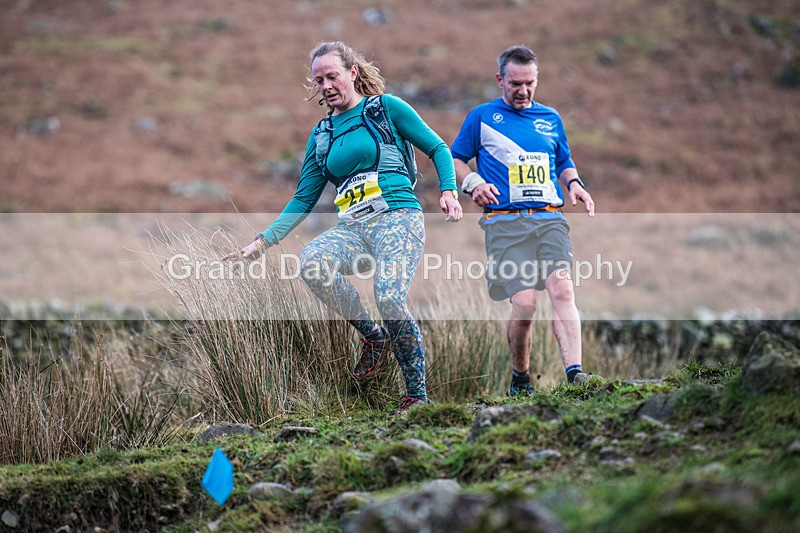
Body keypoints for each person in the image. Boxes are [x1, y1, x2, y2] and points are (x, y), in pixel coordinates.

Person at [225, 41, 462, 414]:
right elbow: (303, 199)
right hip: (353, 229)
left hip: (397, 219)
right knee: (312, 263)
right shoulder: (321, 136)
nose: (326, 86)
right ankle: (373, 337)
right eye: (319, 80)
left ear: (352, 72)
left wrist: (448, 190)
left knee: (388, 297)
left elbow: (438, 148)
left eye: (332, 76)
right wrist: (262, 242)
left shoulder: (385, 108)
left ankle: (416, 395)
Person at [450, 45, 596, 395]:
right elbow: (454, 160)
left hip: (549, 218)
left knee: (563, 288)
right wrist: (473, 183)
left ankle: (576, 374)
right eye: (515, 83)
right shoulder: (482, 117)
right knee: (526, 302)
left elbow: (562, 161)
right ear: (500, 79)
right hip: (505, 223)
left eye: (530, 83)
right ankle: (520, 377)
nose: (523, 90)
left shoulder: (550, 118)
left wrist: (575, 184)